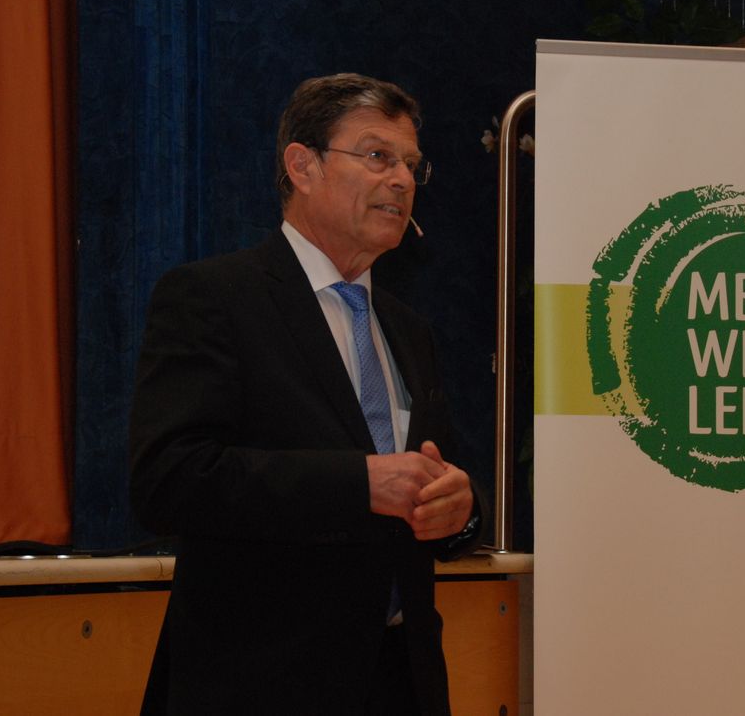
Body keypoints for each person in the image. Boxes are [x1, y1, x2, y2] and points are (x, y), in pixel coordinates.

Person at [129, 73, 484, 715]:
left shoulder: (409, 330)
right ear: (303, 166)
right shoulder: (214, 298)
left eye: (411, 165)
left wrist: (461, 511)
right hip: (262, 684)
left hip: (402, 682)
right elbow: (169, 480)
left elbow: (433, 476)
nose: (401, 180)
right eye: (377, 156)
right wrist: (358, 484)